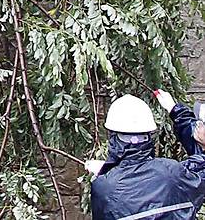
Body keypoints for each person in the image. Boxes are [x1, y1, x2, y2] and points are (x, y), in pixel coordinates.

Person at [87, 90, 205, 220]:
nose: (198, 127)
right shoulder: (174, 173)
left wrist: (106, 171)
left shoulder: (103, 188)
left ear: (113, 137)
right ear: (149, 135)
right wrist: (175, 110)